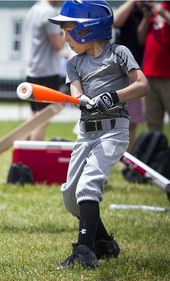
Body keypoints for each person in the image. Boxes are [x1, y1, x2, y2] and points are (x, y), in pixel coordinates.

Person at [48, 0, 148, 269]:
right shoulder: (74, 63)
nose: (65, 37)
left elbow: (142, 85)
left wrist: (112, 97)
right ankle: (104, 243)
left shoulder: (119, 53)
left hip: (113, 131)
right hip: (86, 134)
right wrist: (82, 100)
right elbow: (76, 92)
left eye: (69, 30)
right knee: (71, 197)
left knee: (88, 185)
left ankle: (84, 251)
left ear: (87, 30)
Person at [23, 0, 65, 141]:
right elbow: (57, 44)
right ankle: (33, 159)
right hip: (46, 72)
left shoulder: (34, 9)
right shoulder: (49, 12)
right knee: (42, 120)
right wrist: (71, 31)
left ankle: (21, 158)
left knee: (34, 116)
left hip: (33, 70)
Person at [114, 0, 148, 153]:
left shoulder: (150, 12)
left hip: (137, 70)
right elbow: (116, 21)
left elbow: (142, 38)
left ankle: (126, 158)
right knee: (112, 116)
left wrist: (148, 14)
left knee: (131, 120)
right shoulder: (131, 9)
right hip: (118, 69)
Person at [137, 1, 170, 132]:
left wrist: (163, 13)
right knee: (152, 123)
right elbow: (141, 37)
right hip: (149, 72)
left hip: (168, 74)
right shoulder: (156, 8)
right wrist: (146, 17)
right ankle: (156, 151)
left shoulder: (162, 10)